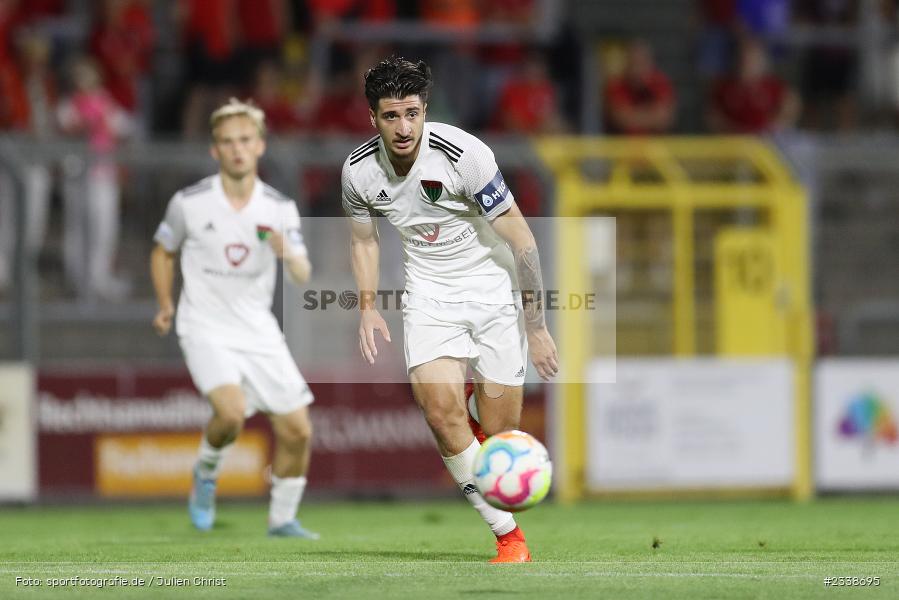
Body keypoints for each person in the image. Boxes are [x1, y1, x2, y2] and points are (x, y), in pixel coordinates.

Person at [341, 57, 558, 563]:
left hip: (493, 292)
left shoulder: (463, 156)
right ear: (373, 118)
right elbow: (363, 241)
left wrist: (538, 326)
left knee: (500, 445)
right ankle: (510, 541)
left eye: (412, 114)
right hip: (429, 295)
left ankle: (479, 431)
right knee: (439, 412)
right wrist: (368, 307)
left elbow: (523, 241)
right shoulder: (357, 172)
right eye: (391, 116)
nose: (403, 127)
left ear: (425, 111)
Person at [150, 98, 318, 538]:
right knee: (231, 412)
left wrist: (288, 255)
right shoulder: (189, 203)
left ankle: (282, 519)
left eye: (245, 140)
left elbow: (303, 272)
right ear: (214, 151)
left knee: (298, 430)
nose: (237, 149)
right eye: (227, 142)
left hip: (257, 328)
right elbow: (162, 252)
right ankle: (206, 475)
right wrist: (166, 303)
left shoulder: (279, 207)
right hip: (203, 325)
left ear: (260, 146)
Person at [604, 40, 675, 135]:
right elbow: (621, 119)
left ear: (650, 63)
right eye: (633, 63)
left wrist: (633, 115)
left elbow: (664, 119)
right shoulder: (616, 85)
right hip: (622, 145)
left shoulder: (660, 82)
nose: (636, 70)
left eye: (641, 63)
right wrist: (651, 114)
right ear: (627, 64)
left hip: (655, 145)